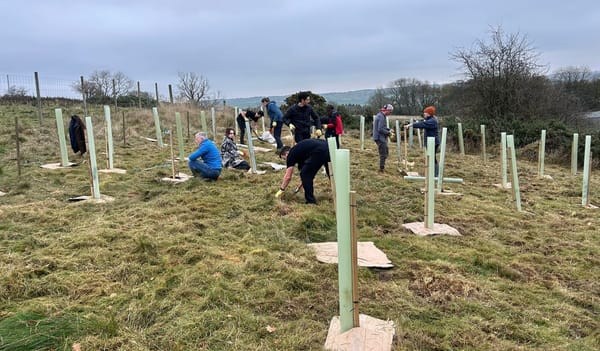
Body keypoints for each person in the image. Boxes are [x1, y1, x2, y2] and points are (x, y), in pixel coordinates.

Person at [275, 139, 330, 204]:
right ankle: (340, 192)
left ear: (287, 153)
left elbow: (288, 177)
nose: (286, 160)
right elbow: (305, 168)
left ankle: (310, 201)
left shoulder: (291, 154)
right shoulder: (299, 151)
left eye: (284, 158)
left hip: (319, 151)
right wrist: (304, 181)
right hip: (328, 147)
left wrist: (282, 189)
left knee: (305, 174)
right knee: (331, 172)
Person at [406, 105, 440, 176]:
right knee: (430, 158)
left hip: (433, 143)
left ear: (428, 113)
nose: (424, 114)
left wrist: (411, 125)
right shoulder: (430, 120)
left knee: (432, 158)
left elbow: (422, 124)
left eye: (425, 113)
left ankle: (436, 174)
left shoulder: (432, 121)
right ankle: (432, 173)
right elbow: (423, 122)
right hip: (430, 142)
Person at [372, 104, 395, 173]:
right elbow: (380, 129)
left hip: (380, 137)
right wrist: (389, 133)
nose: (390, 114)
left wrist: (388, 129)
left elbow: (382, 127)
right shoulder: (381, 117)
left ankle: (382, 166)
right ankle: (381, 169)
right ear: (387, 110)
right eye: (390, 112)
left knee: (386, 151)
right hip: (379, 137)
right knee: (383, 153)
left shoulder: (381, 115)